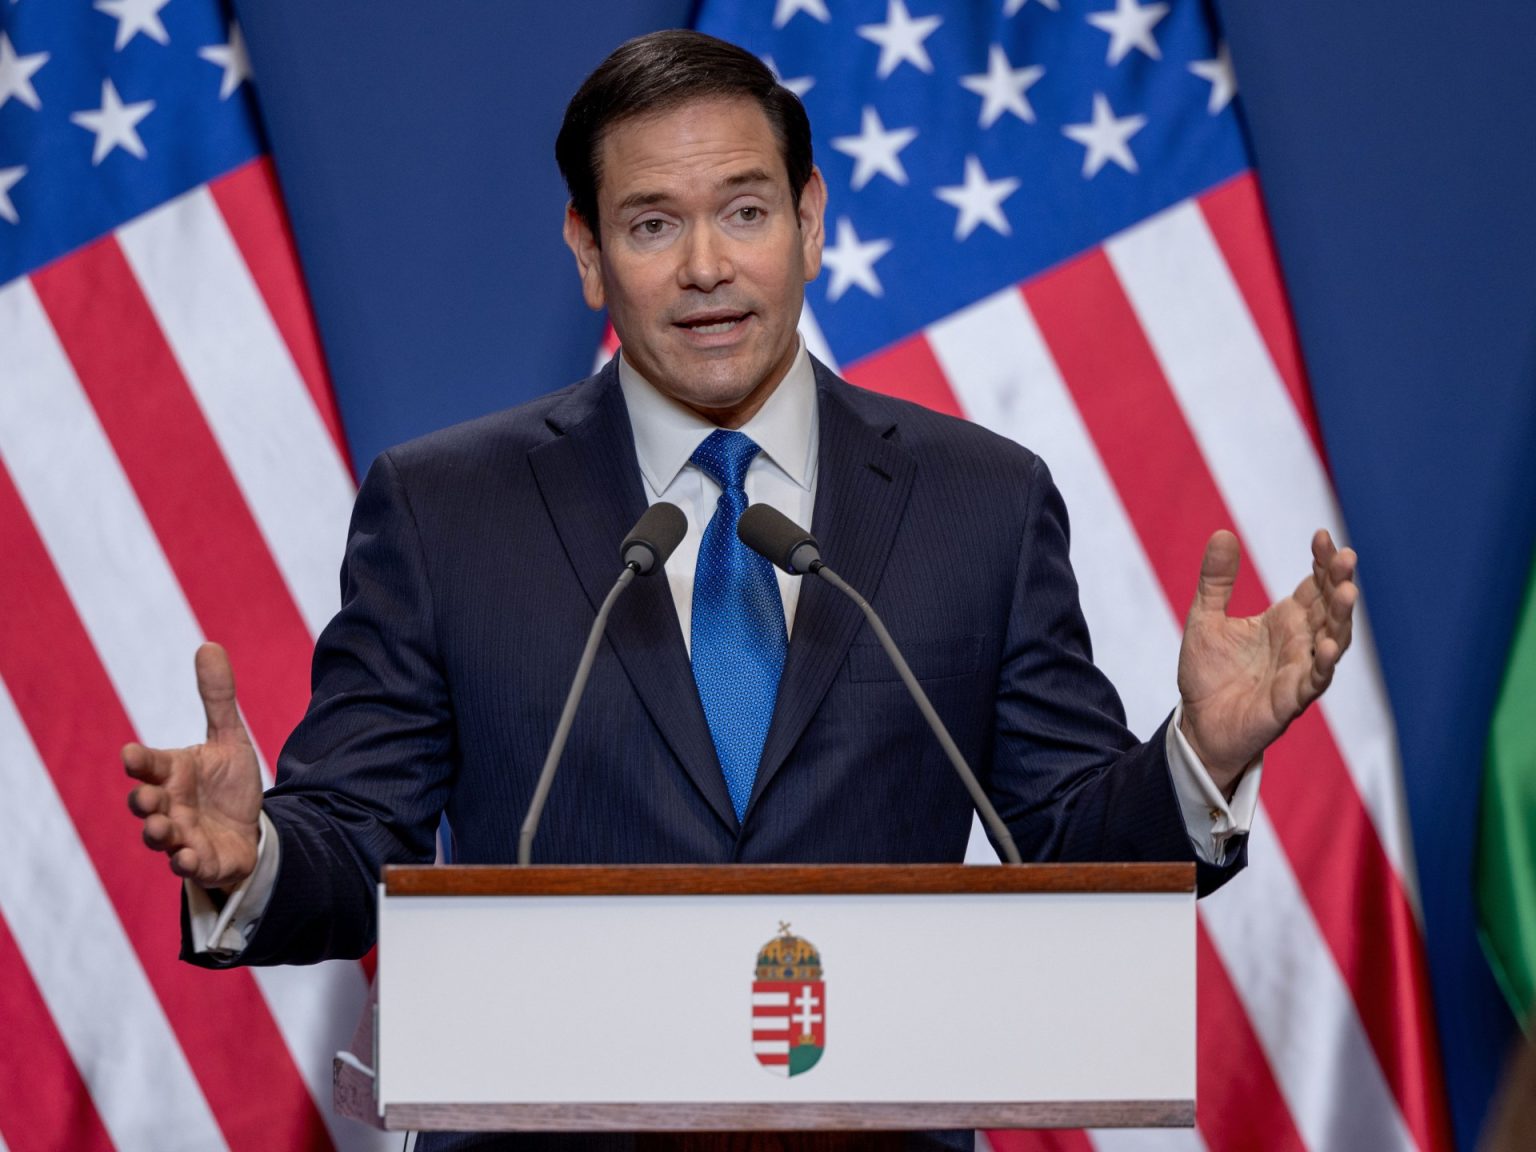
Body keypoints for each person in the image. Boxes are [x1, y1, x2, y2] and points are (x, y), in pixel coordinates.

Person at [123, 29, 1357, 1151]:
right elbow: (358, 838)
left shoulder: (981, 500)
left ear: (810, 223)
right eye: (653, 225)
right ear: (588, 253)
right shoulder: (446, 511)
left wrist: (1199, 756)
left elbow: (1068, 848)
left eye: (746, 211)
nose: (707, 266)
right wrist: (255, 854)